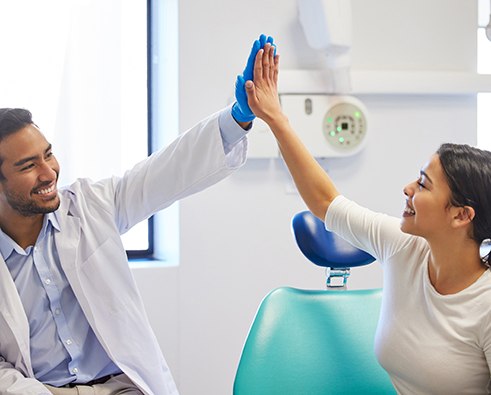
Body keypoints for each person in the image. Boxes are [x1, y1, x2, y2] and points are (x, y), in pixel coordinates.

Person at [0, 34, 274, 395]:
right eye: (28, 165)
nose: (49, 172)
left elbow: (166, 171)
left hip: (123, 387)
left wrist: (237, 119)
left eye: (48, 154)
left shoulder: (90, 205)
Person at [245, 42, 491, 393]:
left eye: (423, 184)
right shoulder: (404, 247)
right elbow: (325, 201)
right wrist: (275, 118)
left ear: (461, 215)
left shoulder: (485, 306)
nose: (407, 189)